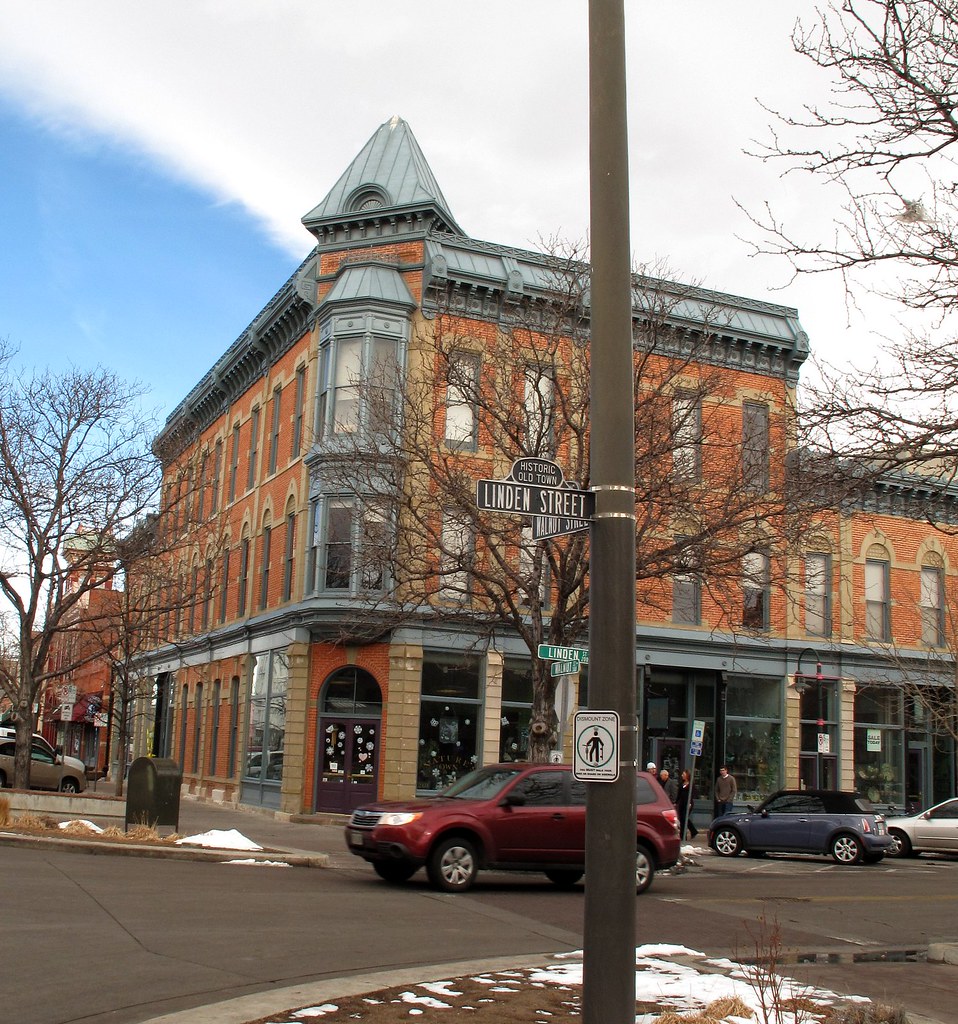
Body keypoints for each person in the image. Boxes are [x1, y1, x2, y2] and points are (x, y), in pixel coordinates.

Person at [677, 769, 698, 839]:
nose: (682, 775)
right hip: (681, 803)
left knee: (684, 818)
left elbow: (693, 794)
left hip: (688, 803)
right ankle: (683, 836)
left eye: (683, 774)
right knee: (682, 819)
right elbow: (679, 794)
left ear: (687, 775)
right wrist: (676, 802)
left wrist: (690, 803)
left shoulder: (691, 784)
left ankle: (693, 831)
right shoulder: (682, 783)